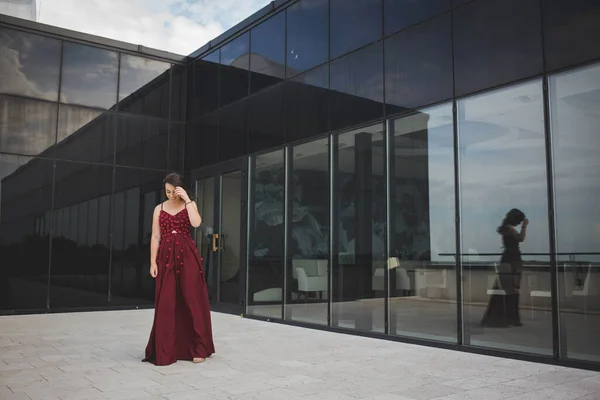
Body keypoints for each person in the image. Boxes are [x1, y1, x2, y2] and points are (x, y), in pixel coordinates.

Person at [142, 173, 215, 366]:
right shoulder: (159, 208)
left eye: (174, 191)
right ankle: (166, 349)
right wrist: (152, 262)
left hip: (187, 256)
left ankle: (199, 348)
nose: (170, 195)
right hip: (165, 258)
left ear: (180, 189)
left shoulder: (188, 204)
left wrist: (188, 200)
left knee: (193, 300)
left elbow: (196, 223)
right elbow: (155, 237)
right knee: (166, 303)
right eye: (167, 191)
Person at [481, 208, 528, 328]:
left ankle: (509, 318)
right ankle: (508, 318)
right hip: (512, 259)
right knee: (510, 288)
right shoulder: (508, 228)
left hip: (509, 258)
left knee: (508, 288)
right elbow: (520, 238)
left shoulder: (506, 228)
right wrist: (524, 227)